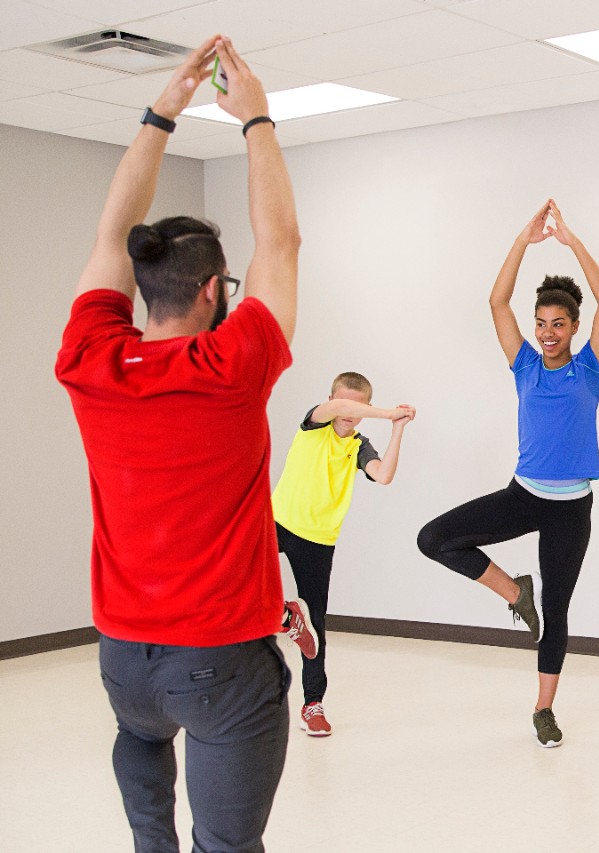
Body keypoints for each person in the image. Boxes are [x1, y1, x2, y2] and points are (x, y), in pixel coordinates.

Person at [55, 36, 302, 851]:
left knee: (152, 836)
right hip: (220, 662)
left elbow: (107, 235)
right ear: (210, 291)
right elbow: (284, 245)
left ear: (142, 285)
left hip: (125, 663)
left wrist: (162, 111)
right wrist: (255, 115)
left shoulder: (91, 360)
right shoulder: (229, 365)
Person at [417, 199, 599, 748]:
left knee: (558, 611)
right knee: (434, 539)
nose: (548, 332)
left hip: (571, 508)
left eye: (558, 324)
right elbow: (496, 300)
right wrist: (521, 242)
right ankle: (512, 590)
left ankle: (544, 710)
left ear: (574, 327)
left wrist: (572, 241)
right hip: (523, 495)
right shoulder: (524, 363)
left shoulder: (590, 368)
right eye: (541, 324)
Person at [272, 372, 415, 736]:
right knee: (233, 580)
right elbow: (336, 407)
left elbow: (382, 475)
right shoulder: (314, 424)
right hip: (276, 521)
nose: (348, 412)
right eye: (345, 403)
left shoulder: (358, 446)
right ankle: (286, 617)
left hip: (318, 538)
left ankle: (312, 705)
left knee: (316, 625)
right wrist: (387, 411)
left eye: (358, 406)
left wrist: (397, 428)